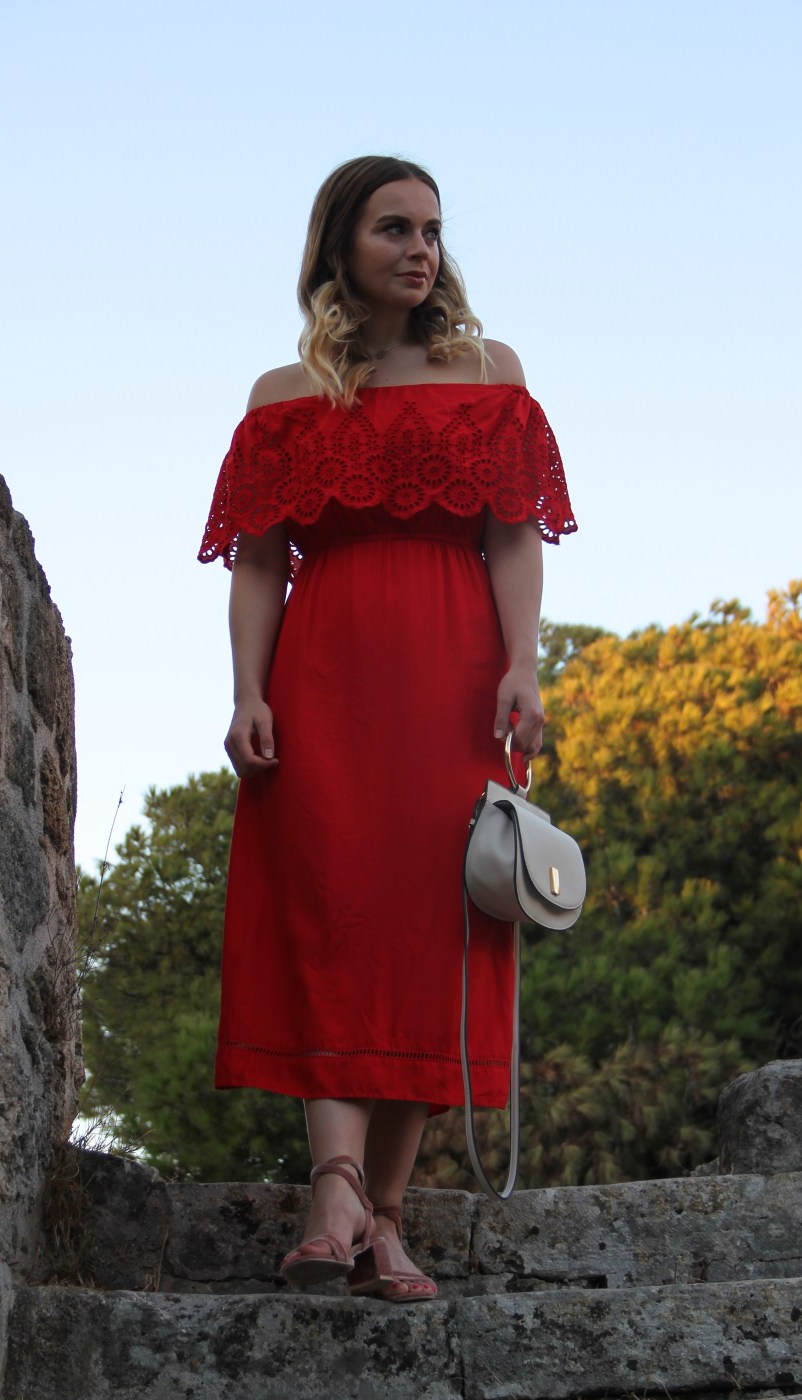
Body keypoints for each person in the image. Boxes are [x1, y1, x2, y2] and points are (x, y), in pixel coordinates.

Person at [199, 155, 576, 1302]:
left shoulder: (489, 373)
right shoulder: (282, 394)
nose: (421, 250)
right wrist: (248, 691)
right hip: (324, 674)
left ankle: (388, 1216)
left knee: (433, 933)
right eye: (394, 229)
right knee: (329, 914)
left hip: (454, 677)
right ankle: (335, 1192)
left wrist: (523, 663)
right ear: (339, 249)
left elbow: (513, 536)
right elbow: (259, 563)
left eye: (432, 230)